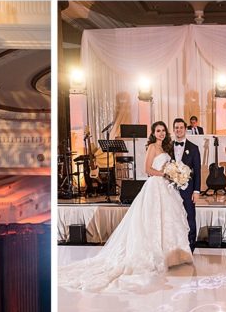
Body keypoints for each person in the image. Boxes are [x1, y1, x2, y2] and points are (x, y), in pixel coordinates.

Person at [59, 121, 193, 292]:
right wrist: (165, 174)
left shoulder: (166, 148)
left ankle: (172, 255)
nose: (161, 133)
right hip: (155, 186)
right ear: (153, 133)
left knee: (168, 220)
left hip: (166, 187)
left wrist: (174, 175)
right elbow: (147, 169)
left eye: (163, 131)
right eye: (158, 131)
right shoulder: (152, 147)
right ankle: (154, 255)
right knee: (152, 220)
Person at [171, 118, 201, 249]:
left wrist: (196, 191)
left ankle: (191, 246)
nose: (179, 130)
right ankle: (175, 246)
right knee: (172, 217)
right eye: (176, 128)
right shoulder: (167, 147)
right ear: (173, 130)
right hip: (170, 189)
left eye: (181, 127)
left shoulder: (194, 148)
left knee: (190, 217)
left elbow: (197, 171)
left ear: (185, 129)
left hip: (188, 189)